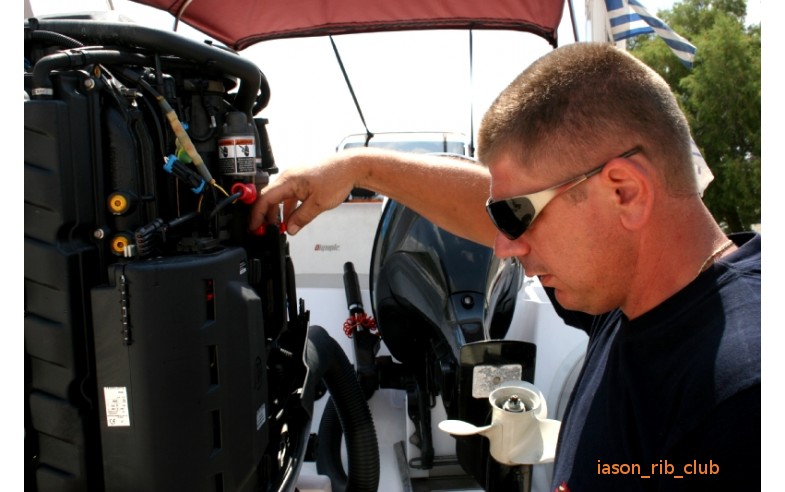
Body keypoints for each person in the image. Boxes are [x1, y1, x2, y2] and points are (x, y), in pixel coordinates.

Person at [250, 42, 760, 491]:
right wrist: (359, 168)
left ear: (624, 192)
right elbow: (490, 201)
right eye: (501, 217)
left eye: (517, 216)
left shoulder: (744, 401)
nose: (503, 244)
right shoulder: (637, 294)